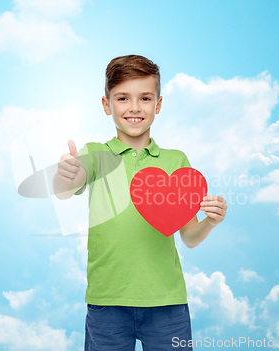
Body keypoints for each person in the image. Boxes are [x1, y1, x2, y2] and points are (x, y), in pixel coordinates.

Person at [53, 54, 227, 351]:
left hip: (167, 304)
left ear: (158, 104)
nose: (134, 108)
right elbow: (66, 188)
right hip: (106, 302)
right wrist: (66, 174)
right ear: (107, 104)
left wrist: (210, 222)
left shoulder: (177, 161)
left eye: (145, 98)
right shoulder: (95, 154)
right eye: (123, 98)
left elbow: (189, 237)